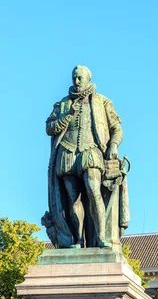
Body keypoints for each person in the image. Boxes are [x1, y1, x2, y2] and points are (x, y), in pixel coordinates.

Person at [42, 65, 128, 249]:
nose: (77, 81)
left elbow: (117, 129)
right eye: (74, 78)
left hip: (91, 150)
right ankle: (78, 240)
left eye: (80, 78)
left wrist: (113, 145)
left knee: (93, 190)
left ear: (88, 79)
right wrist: (67, 116)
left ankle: (101, 236)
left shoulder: (103, 102)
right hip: (67, 152)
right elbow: (49, 128)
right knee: (73, 199)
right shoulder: (62, 104)